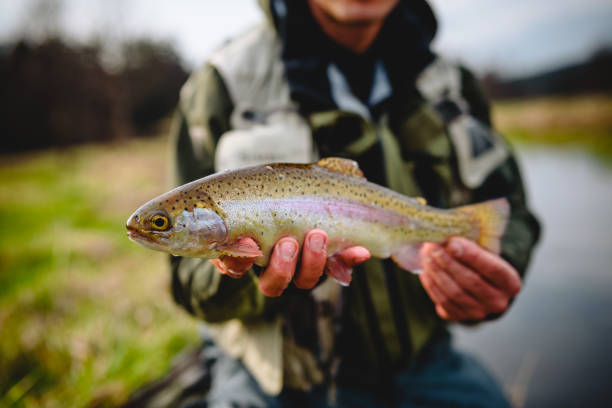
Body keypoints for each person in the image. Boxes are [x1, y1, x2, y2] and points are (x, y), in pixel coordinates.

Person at [166, 0, 541, 407]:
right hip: (280, 379)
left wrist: (494, 271)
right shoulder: (223, 82)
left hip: (425, 360)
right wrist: (245, 272)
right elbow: (187, 283)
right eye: (160, 224)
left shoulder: (453, 82)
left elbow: (511, 211)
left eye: (159, 223)